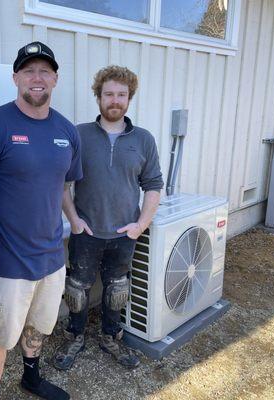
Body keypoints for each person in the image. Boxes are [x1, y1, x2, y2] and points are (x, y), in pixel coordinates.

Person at [0, 41, 82, 400]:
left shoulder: (66, 131)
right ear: (15, 77)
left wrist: (74, 221)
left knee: (40, 326)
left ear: (56, 79)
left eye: (44, 70)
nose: (37, 77)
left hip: (51, 257)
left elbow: (63, 187)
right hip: (6, 262)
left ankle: (31, 377)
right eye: (28, 70)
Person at [52, 65, 163, 371]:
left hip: (124, 233)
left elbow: (153, 186)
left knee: (117, 289)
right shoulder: (79, 134)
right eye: (109, 94)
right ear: (98, 97)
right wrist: (73, 219)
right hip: (86, 231)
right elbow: (62, 182)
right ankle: (74, 337)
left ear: (130, 99)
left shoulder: (144, 140)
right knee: (77, 288)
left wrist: (141, 225)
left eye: (121, 95)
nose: (115, 100)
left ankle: (111, 337)